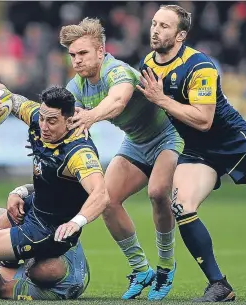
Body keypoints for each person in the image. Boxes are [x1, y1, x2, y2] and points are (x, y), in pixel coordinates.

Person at [137, 4, 246, 302]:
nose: (156, 30)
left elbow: (204, 120)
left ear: (180, 35)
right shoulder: (147, 62)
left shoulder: (200, 66)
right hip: (199, 151)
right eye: (154, 24)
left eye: (164, 26)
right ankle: (219, 285)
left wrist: (161, 99)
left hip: (234, 143)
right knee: (182, 205)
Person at [59, 18, 184, 300]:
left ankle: (165, 266)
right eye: (72, 55)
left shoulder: (117, 71)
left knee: (157, 192)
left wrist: (90, 116)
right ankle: (141, 270)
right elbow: (57, 112)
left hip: (168, 135)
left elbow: (118, 102)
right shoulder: (77, 85)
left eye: (83, 53)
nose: (77, 60)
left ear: (101, 52)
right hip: (136, 143)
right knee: (106, 200)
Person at [0, 84, 109, 282]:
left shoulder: (79, 153)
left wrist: (76, 222)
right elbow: (8, 96)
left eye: (52, 121)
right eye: (43, 119)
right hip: (34, 206)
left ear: (70, 119)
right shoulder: (38, 116)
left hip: (48, 231)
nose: (44, 126)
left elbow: (101, 194)